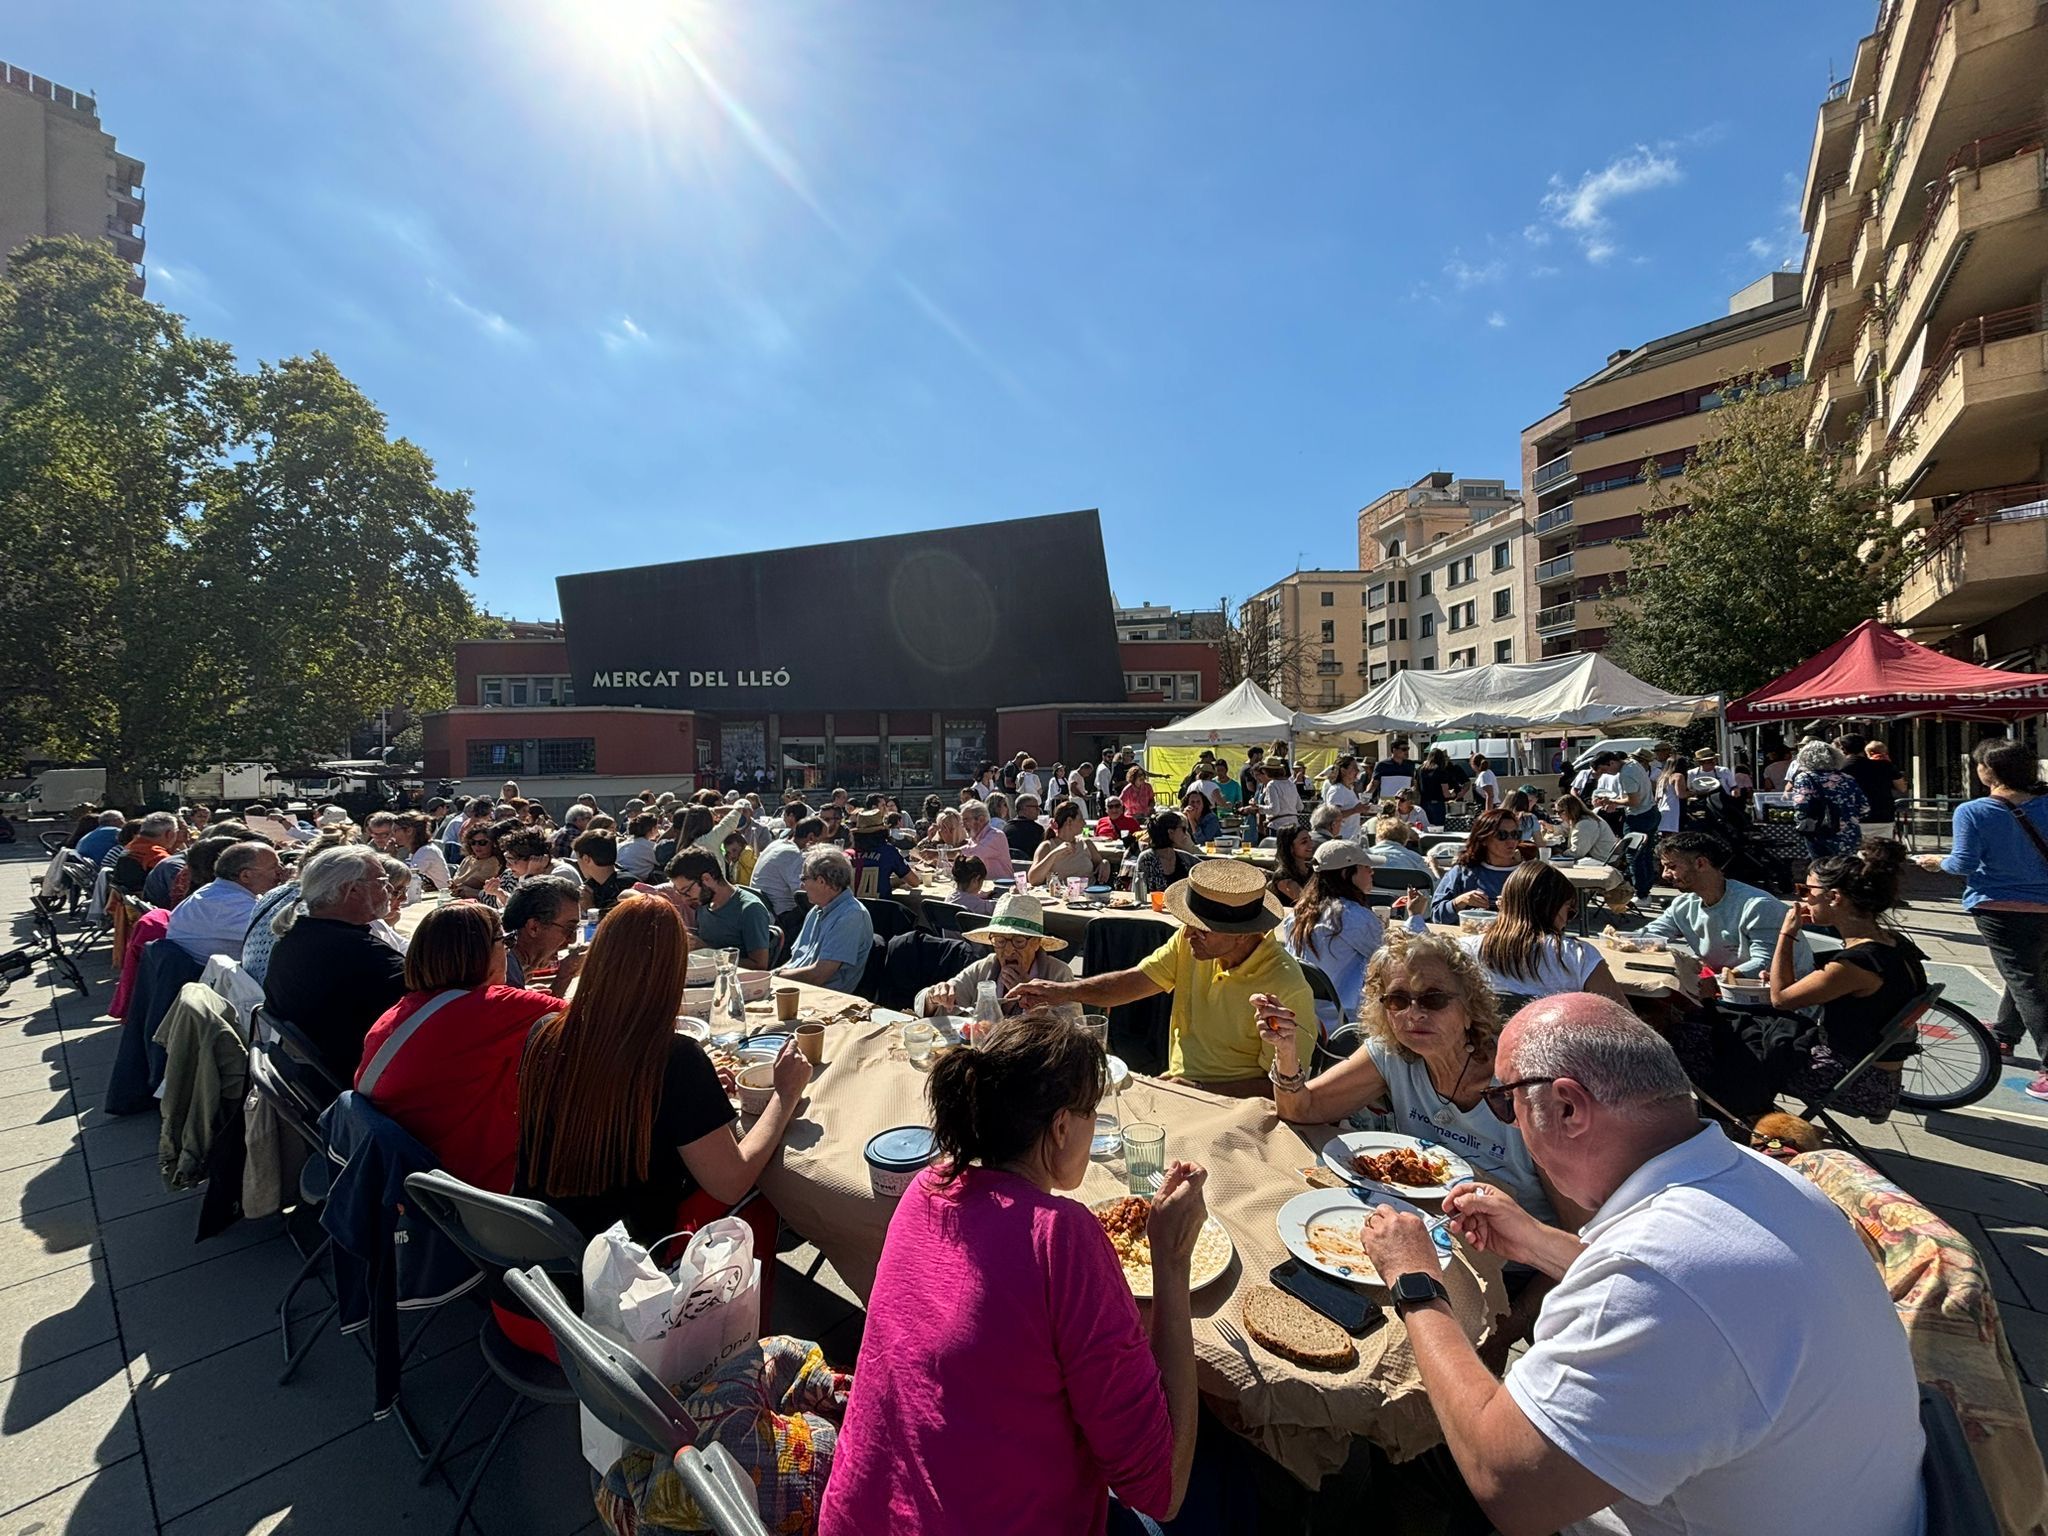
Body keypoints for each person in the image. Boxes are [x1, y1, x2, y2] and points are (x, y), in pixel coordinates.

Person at [1350, 994, 1925, 1536]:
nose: (1509, 1121)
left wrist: (1417, 1283)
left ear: (1569, 1107)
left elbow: (1507, 1487)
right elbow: (1681, 1294)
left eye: (1507, 1102)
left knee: (1397, 1460)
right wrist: (1538, 1243)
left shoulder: (1654, 1275)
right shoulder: (1752, 1174)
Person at [818, 1013, 1206, 1535]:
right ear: (1062, 1126)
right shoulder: (1063, 1237)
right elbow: (1163, 1489)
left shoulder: (926, 1188)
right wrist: (1172, 1261)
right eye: (1093, 1113)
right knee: (1220, 1493)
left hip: (857, 1519)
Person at [517, 896, 810, 1243]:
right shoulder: (675, 1058)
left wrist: (691, 1101)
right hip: (629, 1261)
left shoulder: (547, 1030)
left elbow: (606, 1091)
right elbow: (733, 1182)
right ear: (673, 973)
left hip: (542, 1243)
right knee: (763, 1198)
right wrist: (785, 1095)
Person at [1013, 860, 1315, 1092]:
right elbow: (1132, 982)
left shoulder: (1285, 985)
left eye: (1202, 927)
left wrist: (1201, 1089)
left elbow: (1282, 1088)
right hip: (1178, 1087)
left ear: (1241, 935)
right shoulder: (1191, 942)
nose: (1189, 932)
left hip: (1237, 1109)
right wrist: (1062, 991)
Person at [355, 900, 563, 1193]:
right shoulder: (499, 1008)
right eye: (505, 941)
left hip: (417, 1182)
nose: (508, 949)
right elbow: (600, 1023)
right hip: (479, 1191)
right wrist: (565, 974)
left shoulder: (402, 1011)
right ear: (481, 952)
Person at [1918, 737, 2048, 1090]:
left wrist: (1934, 862)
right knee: (2026, 973)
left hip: (1999, 905)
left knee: (2027, 981)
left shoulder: (1974, 811)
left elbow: (1963, 863)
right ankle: (2004, 1034)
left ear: (1988, 771)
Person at [263, 846, 409, 1084]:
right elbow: (435, 1009)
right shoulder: (361, 954)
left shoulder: (296, 938)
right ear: (352, 890)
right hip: (362, 1084)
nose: (390, 889)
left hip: (315, 1077)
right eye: (382, 882)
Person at [1640, 831, 1813, 981]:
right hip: (1724, 985)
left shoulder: (1758, 907)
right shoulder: (1683, 906)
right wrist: (1617, 941)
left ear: (1701, 863)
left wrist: (1714, 981)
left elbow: (1765, 964)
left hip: (1771, 998)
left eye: (1671, 867)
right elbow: (1649, 936)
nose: (1665, 875)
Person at [1463, 861, 1624, 1003]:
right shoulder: (1579, 956)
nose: (1567, 920)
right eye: (1569, 911)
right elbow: (1624, 1022)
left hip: (1489, 1037)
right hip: (1556, 1036)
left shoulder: (1466, 950)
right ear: (1551, 908)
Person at [913, 894, 1082, 1021]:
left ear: (1037, 943)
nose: (1008, 951)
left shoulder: (1058, 974)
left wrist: (1033, 1002)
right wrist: (934, 997)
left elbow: (1075, 1029)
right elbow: (925, 1004)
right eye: (1000, 941)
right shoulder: (985, 968)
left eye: (1019, 941)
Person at [1279, 840, 1384, 1031]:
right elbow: (1388, 958)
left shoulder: (1297, 915)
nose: (1372, 872)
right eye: (1366, 867)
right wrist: (1415, 918)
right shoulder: (1353, 917)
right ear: (1346, 873)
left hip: (1303, 1018)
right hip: (1347, 1022)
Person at [164, 841, 285, 964]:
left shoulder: (215, 892)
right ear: (245, 876)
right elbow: (285, 933)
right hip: (206, 979)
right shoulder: (229, 905)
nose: (282, 871)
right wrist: (292, 887)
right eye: (274, 867)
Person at [775, 846, 875, 993]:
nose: (802, 885)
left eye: (804, 878)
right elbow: (797, 960)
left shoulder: (851, 916)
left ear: (821, 881)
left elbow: (819, 975)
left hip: (822, 998)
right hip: (795, 988)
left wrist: (774, 978)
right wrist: (771, 976)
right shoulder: (816, 911)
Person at [669, 848, 776, 969]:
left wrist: (708, 951)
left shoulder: (750, 909)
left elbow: (759, 965)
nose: (684, 899)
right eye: (680, 893)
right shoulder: (704, 903)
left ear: (706, 879)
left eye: (686, 891)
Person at [1428, 808, 1533, 923]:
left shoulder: (1530, 875)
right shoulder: (1463, 872)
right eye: (1502, 835)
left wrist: (1517, 910)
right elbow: (1436, 916)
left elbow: (1549, 921)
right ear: (1484, 839)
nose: (1511, 841)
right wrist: (1460, 902)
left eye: (1515, 834)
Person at [499, 875, 584, 992]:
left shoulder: (508, 961)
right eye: (569, 929)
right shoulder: (503, 971)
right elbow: (550, 1010)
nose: (572, 940)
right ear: (534, 927)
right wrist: (565, 976)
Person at [1788, 738, 1868, 861]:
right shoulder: (1847, 778)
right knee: (1846, 866)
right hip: (1849, 831)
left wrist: (1801, 825)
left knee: (1822, 868)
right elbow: (1864, 807)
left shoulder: (1805, 778)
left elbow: (1801, 805)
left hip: (1820, 830)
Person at [752, 815, 823, 921]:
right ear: (811, 838)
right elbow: (805, 893)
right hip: (781, 915)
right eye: (825, 841)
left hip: (764, 909)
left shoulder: (776, 844)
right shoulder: (793, 855)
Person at [110, 811, 183, 896]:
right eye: (176, 831)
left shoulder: (131, 846)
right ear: (169, 834)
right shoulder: (156, 856)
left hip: (126, 904)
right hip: (151, 904)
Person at [1027, 800, 1098, 887]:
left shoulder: (1086, 843)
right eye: (1081, 819)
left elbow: (1100, 863)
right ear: (1069, 821)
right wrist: (1054, 854)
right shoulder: (1047, 846)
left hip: (1090, 895)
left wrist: (1105, 864)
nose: (1084, 823)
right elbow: (1033, 880)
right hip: (1062, 896)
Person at [847, 809, 916, 899]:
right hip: (881, 910)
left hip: (850, 910)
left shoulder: (845, 856)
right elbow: (914, 882)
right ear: (882, 832)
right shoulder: (889, 852)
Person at [1134, 810, 1202, 899]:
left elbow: (1209, 869)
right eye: (1183, 829)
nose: (1186, 834)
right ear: (1170, 832)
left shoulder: (1186, 858)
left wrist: (1189, 847)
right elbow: (1139, 896)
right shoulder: (1146, 859)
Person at [946, 799, 1014, 880]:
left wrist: (940, 854)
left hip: (1002, 888)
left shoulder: (996, 836)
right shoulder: (973, 839)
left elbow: (971, 853)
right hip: (982, 887)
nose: (963, 825)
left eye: (966, 820)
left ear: (981, 819)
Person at [391, 811, 450, 898]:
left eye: (395, 830)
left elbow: (405, 879)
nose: (392, 835)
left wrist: (390, 856)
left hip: (441, 898)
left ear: (409, 831)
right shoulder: (417, 852)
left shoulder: (426, 851)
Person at [574, 829, 630, 914]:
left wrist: (590, 908)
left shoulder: (626, 886)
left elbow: (619, 923)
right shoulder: (591, 885)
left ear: (586, 859)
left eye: (578, 858)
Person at [1555, 793, 1619, 864]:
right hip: (1603, 857)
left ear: (1571, 810)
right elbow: (1565, 829)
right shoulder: (1583, 819)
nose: (1558, 815)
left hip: (1602, 860)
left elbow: (1577, 853)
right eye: (1556, 812)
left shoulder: (1585, 824)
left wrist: (1560, 853)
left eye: (1560, 812)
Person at [450, 821, 505, 900]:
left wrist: (454, 887)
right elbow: (455, 883)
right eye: (473, 842)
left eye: (482, 842)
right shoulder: (467, 859)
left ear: (493, 843)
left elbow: (473, 884)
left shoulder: (494, 861)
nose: (477, 846)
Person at [1413, 748, 1466, 830]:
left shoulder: (1419, 769)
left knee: (1425, 828)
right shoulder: (1440, 771)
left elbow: (1416, 787)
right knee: (1438, 829)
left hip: (1423, 803)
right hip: (1437, 804)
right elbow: (1446, 793)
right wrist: (1455, 793)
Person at [1268, 824, 1317, 905]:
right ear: (1290, 848)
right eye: (1304, 842)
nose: (1311, 844)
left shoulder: (1311, 869)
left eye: (1310, 840)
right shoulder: (1284, 877)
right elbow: (1306, 902)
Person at [1368, 815, 1433, 874]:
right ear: (1406, 839)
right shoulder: (1416, 859)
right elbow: (1431, 882)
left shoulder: (1365, 856)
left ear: (1378, 836)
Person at [1255, 757, 1301, 836]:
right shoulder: (1291, 784)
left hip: (1278, 827)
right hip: (1294, 826)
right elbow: (1300, 807)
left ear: (1267, 771)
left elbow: (1274, 809)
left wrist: (1258, 808)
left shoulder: (1272, 785)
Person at [1320, 756, 1364, 840]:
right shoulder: (1337, 790)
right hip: (1342, 839)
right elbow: (1333, 816)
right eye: (1354, 768)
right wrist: (1355, 810)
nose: (1358, 771)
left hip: (1352, 838)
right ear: (1343, 770)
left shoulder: (1349, 789)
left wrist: (1365, 808)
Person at [613, 812, 662, 881]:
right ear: (652, 829)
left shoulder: (621, 844)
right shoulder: (650, 847)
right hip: (638, 883)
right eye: (657, 827)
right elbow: (662, 861)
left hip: (618, 880)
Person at [1004, 793, 1048, 864]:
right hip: (1031, 867)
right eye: (1036, 807)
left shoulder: (1006, 827)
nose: (1038, 810)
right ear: (1025, 808)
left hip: (1010, 867)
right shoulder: (1037, 829)